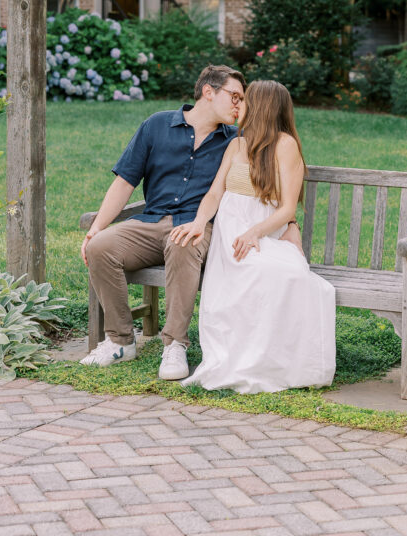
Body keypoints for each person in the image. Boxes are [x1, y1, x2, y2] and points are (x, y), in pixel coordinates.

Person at [80, 64, 304, 379]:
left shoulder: (235, 140)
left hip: (202, 227)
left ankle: (174, 346)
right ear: (208, 92)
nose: (240, 105)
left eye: (244, 99)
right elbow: (124, 182)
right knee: (101, 247)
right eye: (235, 97)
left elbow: (269, 182)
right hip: (152, 220)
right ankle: (120, 341)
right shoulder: (156, 126)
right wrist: (96, 228)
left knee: (183, 242)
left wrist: (289, 224)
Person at [170, 79, 336, 393]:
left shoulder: (285, 146)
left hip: (263, 232)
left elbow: (288, 208)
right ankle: (239, 356)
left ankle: (270, 361)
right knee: (243, 278)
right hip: (230, 235)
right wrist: (199, 221)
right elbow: (215, 192)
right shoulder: (236, 145)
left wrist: (256, 233)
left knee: (281, 275)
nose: (238, 106)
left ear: (260, 108)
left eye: (243, 101)